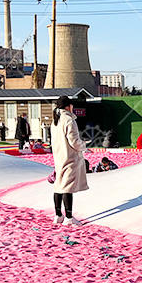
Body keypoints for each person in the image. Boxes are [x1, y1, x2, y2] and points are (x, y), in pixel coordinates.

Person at [51, 95, 88, 226]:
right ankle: (69, 217)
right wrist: (84, 145)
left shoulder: (55, 120)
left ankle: (58, 215)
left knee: (58, 186)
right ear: (68, 106)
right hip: (70, 157)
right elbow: (74, 141)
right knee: (67, 187)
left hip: (59, 156)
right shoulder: (69, 120)